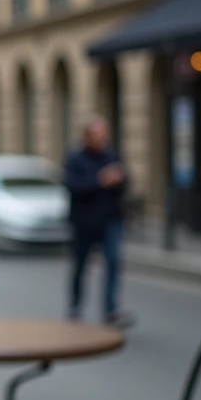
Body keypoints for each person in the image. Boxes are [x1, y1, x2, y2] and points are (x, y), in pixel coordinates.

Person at [64, 117, 134, 328]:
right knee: (80, 265)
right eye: (97, 135)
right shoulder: (75, 159)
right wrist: (100, 180)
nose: (102, 139)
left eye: (104, 135)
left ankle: (111, 310)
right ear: (87, 137)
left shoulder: (112, 156)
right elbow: (73, 187)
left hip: (110, 220)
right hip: (84, 222)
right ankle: (75, 307)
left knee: (113, 264)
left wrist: (119, 180)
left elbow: (126, 184)